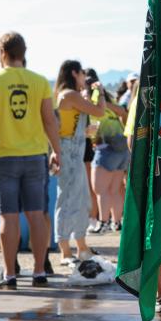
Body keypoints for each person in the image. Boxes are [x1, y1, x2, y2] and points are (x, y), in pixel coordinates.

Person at [0, 32, 60, 289]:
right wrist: (56, 150)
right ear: (23, 53)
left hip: (4, 156)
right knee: (37, 214)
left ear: (2, 52)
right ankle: (38, 272)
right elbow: (49, 120)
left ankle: (10, 274)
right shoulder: (39, 81)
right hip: (35, 154)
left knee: (7, 217)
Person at [54, 60, 105, 265]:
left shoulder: (69, 95)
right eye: (82, 73)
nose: (85, 77)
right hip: (69, 153)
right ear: (74, 73)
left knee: (81, 199)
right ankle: (65, 251)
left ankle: (81, 247)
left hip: (74, 150)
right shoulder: (69, 94)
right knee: (67, 200)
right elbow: (99, 111)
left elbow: (66, 126)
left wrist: (85, 132)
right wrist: (100, 92)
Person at [84, 69, 129, 233]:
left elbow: (94, 124)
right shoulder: (108, 97)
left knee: (100, 189)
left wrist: (87, 134)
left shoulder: (95, 98)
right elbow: (123, 112)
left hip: (106, 148)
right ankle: (116, 223)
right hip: (122, 147)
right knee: (115, 189)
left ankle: (102, 223)